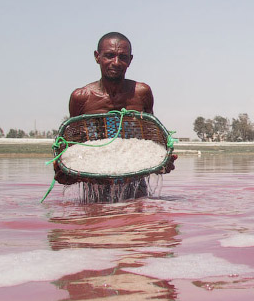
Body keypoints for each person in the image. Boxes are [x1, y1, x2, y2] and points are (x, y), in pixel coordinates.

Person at [54, 32, 175, 186]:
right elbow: (73, 146)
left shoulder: (142, 93)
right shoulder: (81, 97)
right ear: (97, 57)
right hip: (95, 186)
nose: (116, 62)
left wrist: (162, 162)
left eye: (123, 57)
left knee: (138, 208)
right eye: (109, 55)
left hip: (135, 184)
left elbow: (152, 139)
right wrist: (65, 171)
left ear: (130, 60)